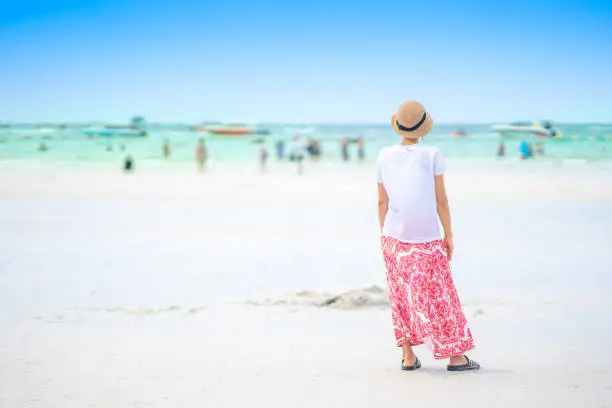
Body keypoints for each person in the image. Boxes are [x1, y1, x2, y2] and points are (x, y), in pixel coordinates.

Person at [377, 100, 480, 372]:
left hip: (393, 238)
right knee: (439, 294)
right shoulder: (432, 154)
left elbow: (381, 202)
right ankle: (456, 357)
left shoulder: (383, 155)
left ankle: (408, 356)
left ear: (398, 126)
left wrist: (385, 235)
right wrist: (449, 234)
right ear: (423, 128)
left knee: (401, 295)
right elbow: (441, 200)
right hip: (425, 237)